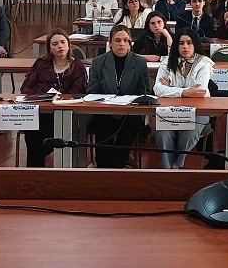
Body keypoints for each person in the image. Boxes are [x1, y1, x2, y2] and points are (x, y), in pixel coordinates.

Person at [86, 25, 151, 168]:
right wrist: (110, 108)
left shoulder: (140, 62)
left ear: (130, 43)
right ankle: (105, 165)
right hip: (104, 111)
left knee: (130, 125)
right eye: (117, 40)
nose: (122, 44)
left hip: (130, 112)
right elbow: (92, 92)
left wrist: (126, 107)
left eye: (125, 40)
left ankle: (116, 167)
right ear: (110, 42)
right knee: (103, 125)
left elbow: (145, 91)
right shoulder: (98, 62)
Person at [20, 29, 87, 167]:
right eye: (55, 44)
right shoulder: (41, 64)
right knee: (32, 132)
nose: (60, 46)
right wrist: (40, 96)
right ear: (50, 49)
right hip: (42, 112)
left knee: (40, 137)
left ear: (69, 45)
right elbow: (26, 88)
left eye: (63, 42)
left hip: (68, 114)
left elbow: (78, 91)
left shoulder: (77, 66)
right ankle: (35, 174)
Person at [153, 28, 214, 169]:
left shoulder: (204, 62)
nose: (185, 47)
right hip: (171, 109)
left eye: (189, 43)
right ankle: (168, 169)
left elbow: (200, 91)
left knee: (189, 133)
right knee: (162, 133)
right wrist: (185, 92)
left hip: (198, 110)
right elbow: (157, 89)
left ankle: (177, 164)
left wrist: (171, 88)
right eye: (181, 43)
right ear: (176, 45)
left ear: (195, 45)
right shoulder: (167, 62)